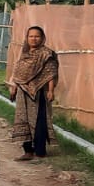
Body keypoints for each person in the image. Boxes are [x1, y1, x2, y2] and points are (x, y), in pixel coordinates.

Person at [9, 24, 59, 161]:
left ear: (42, 38)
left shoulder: (46, 54)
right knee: (22, 119)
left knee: (39, 121)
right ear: (27, 38)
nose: (34, 39)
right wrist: (13, 87)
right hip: (22, 91)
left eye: (37, 36)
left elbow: (51, 73)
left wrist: (51, 91)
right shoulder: (24, 53)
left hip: (39, 92)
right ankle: (27, 151)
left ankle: (40, 151)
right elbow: (18, 72)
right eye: (31, 36)